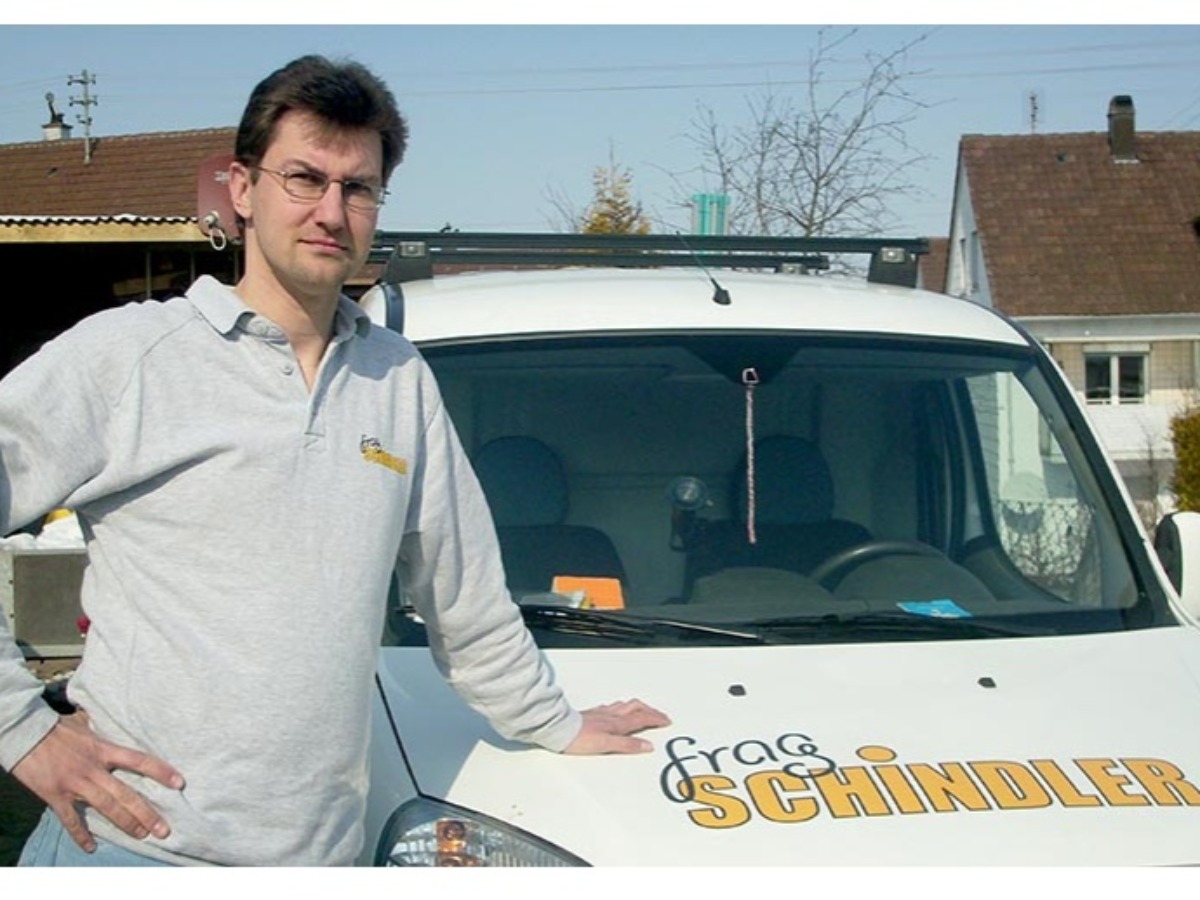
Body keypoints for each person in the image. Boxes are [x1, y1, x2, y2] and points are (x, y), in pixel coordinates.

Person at [0, 54, 669, 867]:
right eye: (304, 178)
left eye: (358, 188)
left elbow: (462, 590)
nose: (331, 211)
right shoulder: (131, 357)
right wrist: (23, 731)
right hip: (130, 852)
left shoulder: (396, 377)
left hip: (323, 854)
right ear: (242, 189)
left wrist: (553, 723)